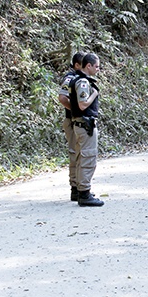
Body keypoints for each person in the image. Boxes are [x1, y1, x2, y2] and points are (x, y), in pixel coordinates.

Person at [68, 53, 105, 207]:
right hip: (85, 125)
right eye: (96, 66)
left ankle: (79, 191)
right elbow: (83, 104)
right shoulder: (83, 82)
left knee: (80, 157)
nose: (98, 69)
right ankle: (84, 193)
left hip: (80, 124)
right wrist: (95, 93)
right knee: (87, 158)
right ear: (88, 66)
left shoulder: (76, 79)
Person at [58, 51, 86, 201]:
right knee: (75, 154)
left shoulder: (81, 78)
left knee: (83, 154)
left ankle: (82, 187)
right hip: (72, 121)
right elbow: (62, 98)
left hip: (79, 121)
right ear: (76, 65)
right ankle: (75, 188)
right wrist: (75, 110)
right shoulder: (70, 78)